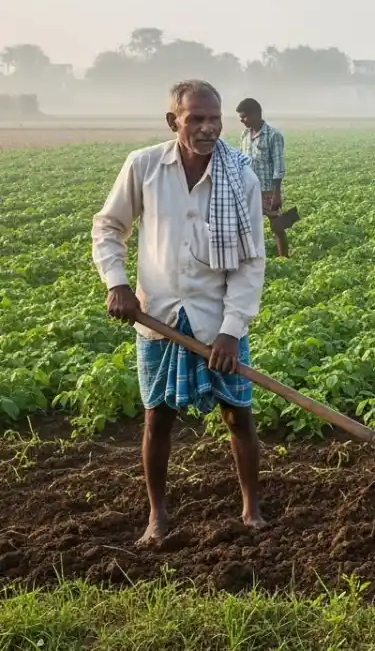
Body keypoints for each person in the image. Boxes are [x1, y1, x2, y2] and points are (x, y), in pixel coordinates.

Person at [91, 80, 267, 545]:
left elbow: (251, 262)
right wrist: (118, 283)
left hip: (217, 317)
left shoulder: (240, 176)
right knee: (157, 418)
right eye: (196, 119)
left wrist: (232, 330)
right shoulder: (145, 167)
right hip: (159, 315)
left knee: (239, 414)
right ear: (174, 121)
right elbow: (109, 227)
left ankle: (251, 509)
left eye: (215, 118)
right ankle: (157, 518)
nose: (209, 128)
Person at [236, 98, 289, 258]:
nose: (242, 120)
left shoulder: (273, 135)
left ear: (256, 114)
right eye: (240, 117)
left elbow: (278, 166)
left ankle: (284, 258)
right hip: (249, 190)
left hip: (267, 191)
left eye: (244, 116)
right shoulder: (245, 135)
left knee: (277, 226)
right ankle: (251, 257)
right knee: (248, 227)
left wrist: (276, 193)